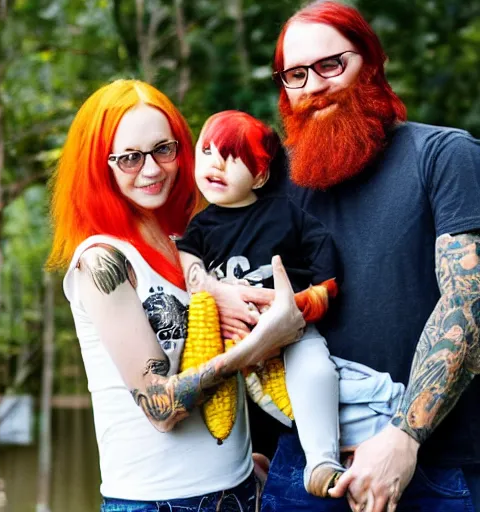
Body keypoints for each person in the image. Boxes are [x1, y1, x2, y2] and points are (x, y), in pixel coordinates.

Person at [46, 79, 305, 512]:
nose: (151, 170)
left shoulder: (184, 240)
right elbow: (160, 407)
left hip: (238, 491)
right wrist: (262, 342)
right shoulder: (101, 261)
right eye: (129, 157)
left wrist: (244, 467)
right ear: (99, 165)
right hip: (160, 501)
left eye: (164, 150)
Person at [261, 1, 480, 511]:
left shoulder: (446, 156)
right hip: (306, 470)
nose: (314, 85)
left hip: (432, 469)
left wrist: (405, 438)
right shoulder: (277, 188)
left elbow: (468, 306)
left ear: (372, 64)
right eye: (295, 74)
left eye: (330, 65)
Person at [176, 109, 405, 498]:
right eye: (207, 152)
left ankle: (322, 461)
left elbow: (324, 255)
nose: (215, 165)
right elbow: (184, 262)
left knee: (317, 375)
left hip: (291, 331)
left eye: (232, 158)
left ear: (261, 176)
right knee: (252, 405)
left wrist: (309, 301)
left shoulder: (283, 213)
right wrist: (210, 287)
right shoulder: (199, 227)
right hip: (235, 342)